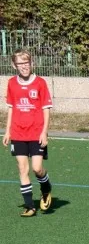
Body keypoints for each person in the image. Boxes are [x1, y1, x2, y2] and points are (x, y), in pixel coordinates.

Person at [4, 49, 53, 217]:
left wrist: (44, 132)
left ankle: (46, 187)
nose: (24, 66)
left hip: (36, 133)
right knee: (22, 168)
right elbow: (11, 108)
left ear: (32, 63)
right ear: (14, 65)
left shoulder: (40, 83)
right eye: (20, 63)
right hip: (18, 133)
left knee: (37, 168)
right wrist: (7, 131)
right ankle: (30, 206)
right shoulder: (11, 83)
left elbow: (46, 109)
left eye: (26, 63)